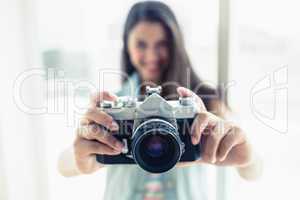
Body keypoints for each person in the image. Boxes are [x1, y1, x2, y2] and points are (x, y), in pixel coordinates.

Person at [58, 1, 263, 199]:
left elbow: (254, 172)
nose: (151, 55)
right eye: (141, 44)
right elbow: (62, 166)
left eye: (162, 44)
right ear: (127, 46)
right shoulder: (112, 107)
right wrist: (81, 159)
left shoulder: (202, 105)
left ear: (175, 45)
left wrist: (247, 157)